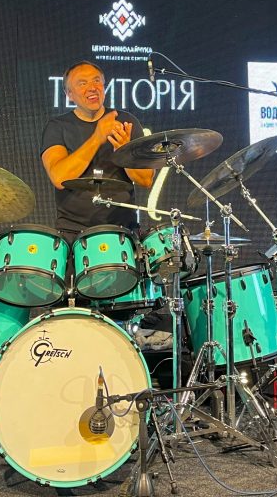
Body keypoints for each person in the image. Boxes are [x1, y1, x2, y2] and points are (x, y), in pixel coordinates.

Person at [40, 62, 171, 350]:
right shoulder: (58, 127)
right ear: (69, 94)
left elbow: (145, 179)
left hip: (122, 236)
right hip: (74, 239)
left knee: (123, 326)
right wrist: (97, 137)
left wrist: (124, 151)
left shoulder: (126, 121)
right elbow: (60, 176)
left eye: (97, 81)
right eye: (83, 83)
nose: (92, 87)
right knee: (75, 325)